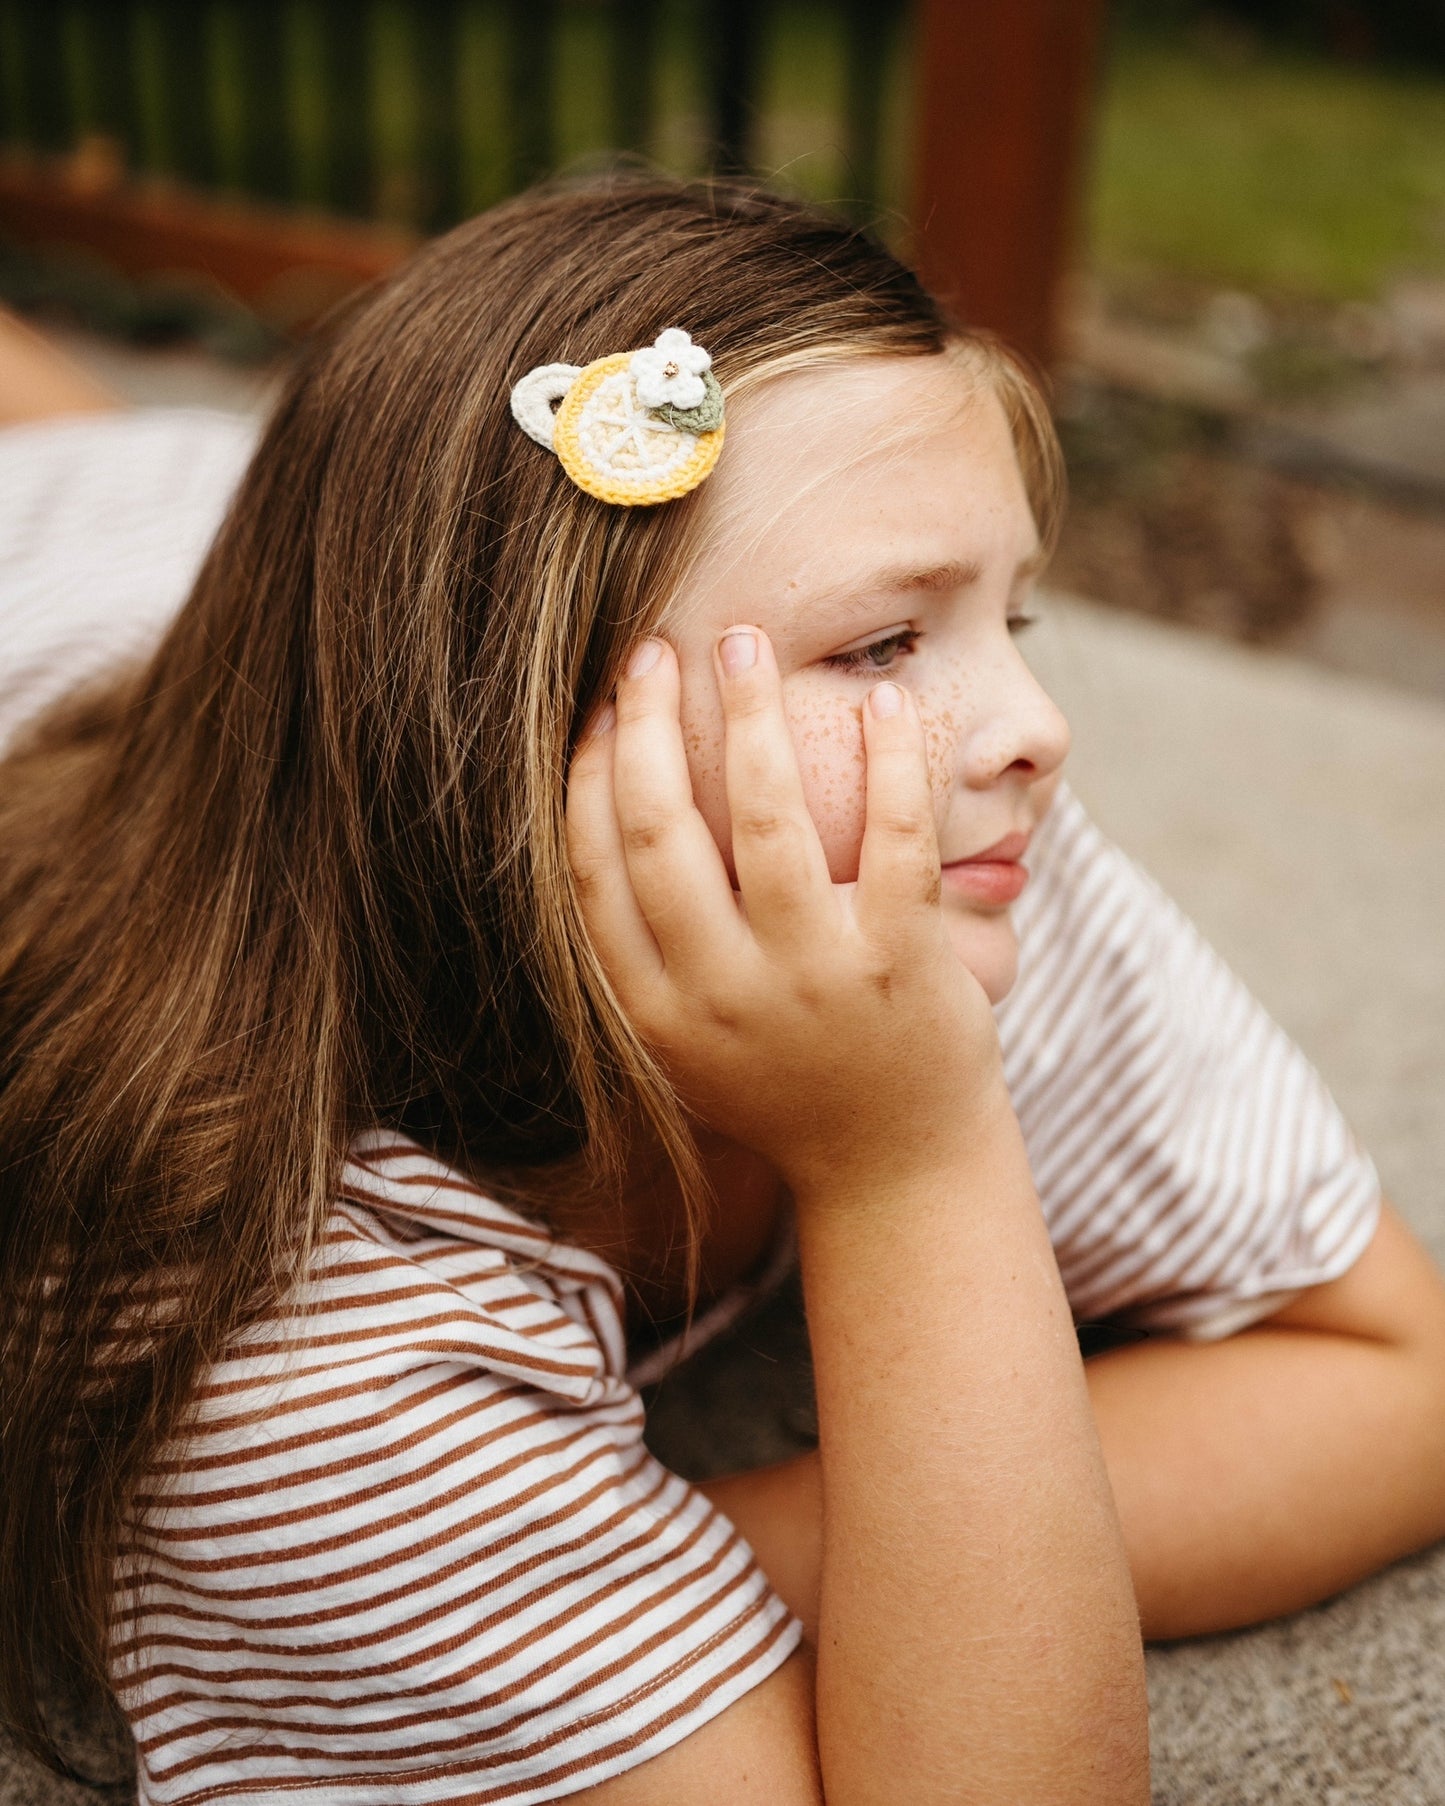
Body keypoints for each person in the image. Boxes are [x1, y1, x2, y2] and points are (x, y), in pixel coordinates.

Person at [1, 177, 1443, 1806]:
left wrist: (727, 1539)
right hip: (61, 612)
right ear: (502, 743)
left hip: (214, 549)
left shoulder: (914, 852)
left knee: (134, 456)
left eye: (1011, 612)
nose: (1032, 722)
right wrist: (912, 1158)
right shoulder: (279, 1334)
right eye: (885, 641)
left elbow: (1402, 1370)